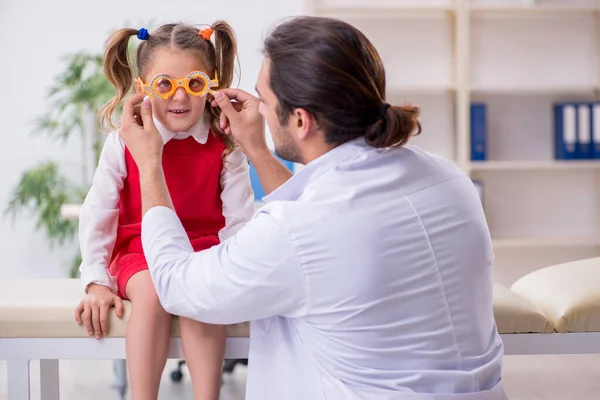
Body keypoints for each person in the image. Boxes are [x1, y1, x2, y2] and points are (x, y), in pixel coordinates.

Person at [119, 16, 507, 400]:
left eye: (265, 101)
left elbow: (176, 286)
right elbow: (318, 208)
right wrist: (256, 147)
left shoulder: (296, 231)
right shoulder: (450, 179)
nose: (258, 110)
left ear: (301, 120)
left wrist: (149, 164)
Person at [73, 21, 255, 400]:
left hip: (203, 249)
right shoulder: (124, 141)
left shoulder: (224, 145)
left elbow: (240, 220)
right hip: (140, 250)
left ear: (211, 85)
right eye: (164, 84)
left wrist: (231, 274)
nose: (180, 96)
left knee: (198, 291)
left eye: (194, 83)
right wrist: (95, 281)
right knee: (155, 293)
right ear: (143, 89)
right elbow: (100, 209)